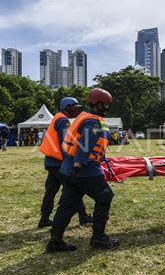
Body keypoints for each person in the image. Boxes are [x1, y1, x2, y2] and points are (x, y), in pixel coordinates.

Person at [47, 88, 119, 252]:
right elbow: (84, 144)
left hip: (68, 169)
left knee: (67, 205)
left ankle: (55, 241)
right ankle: (99, 238)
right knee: (105, 196)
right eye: (106, 106)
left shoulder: (82, 117)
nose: (107, 109)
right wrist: (79, 164)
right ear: (98, 104)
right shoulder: (93, 122)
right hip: (84, 169)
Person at [38, 97, 93, 229]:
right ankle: (83, 216)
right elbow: (65, 143)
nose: (76, 110)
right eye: (74, 107)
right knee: (74, 189)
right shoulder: (63, 120)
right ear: (67, 107)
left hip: (51, 162)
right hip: (59, 163)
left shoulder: (57, 117)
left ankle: (44, 219)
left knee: (50, 192)